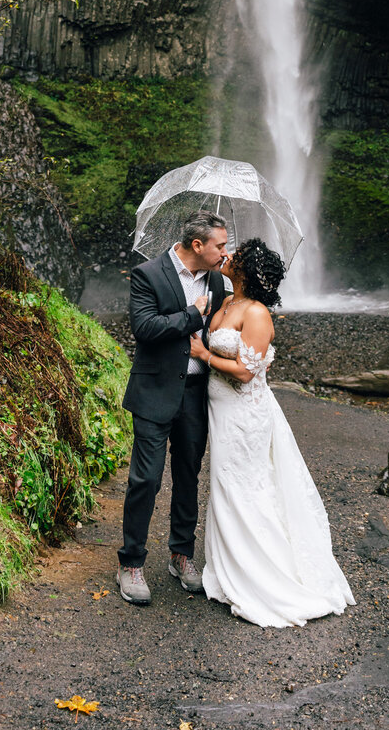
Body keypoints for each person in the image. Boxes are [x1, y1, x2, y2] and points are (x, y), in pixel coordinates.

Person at [190, 237, 355, 627]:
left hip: (244, 414)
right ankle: (229, 568)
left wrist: (204, 355)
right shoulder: (228, 301)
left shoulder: (258, 313)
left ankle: (261, 578)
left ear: (246, 270)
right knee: (225, 485)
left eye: (237, 255)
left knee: (243, 487)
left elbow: (247, 372)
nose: (229, 256)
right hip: (220, 410)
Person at [117, 211, 228, 605]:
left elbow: (220, 330)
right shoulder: (148, 274)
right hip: (154, 391)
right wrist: (192, 316)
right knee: (145, 479)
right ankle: (131, 563)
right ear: (197, 245)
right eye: (220, 245)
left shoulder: (218, 280)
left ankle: (182, 556)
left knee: (188, 476)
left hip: (197, 393)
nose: (225, 253)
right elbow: (144, 328)